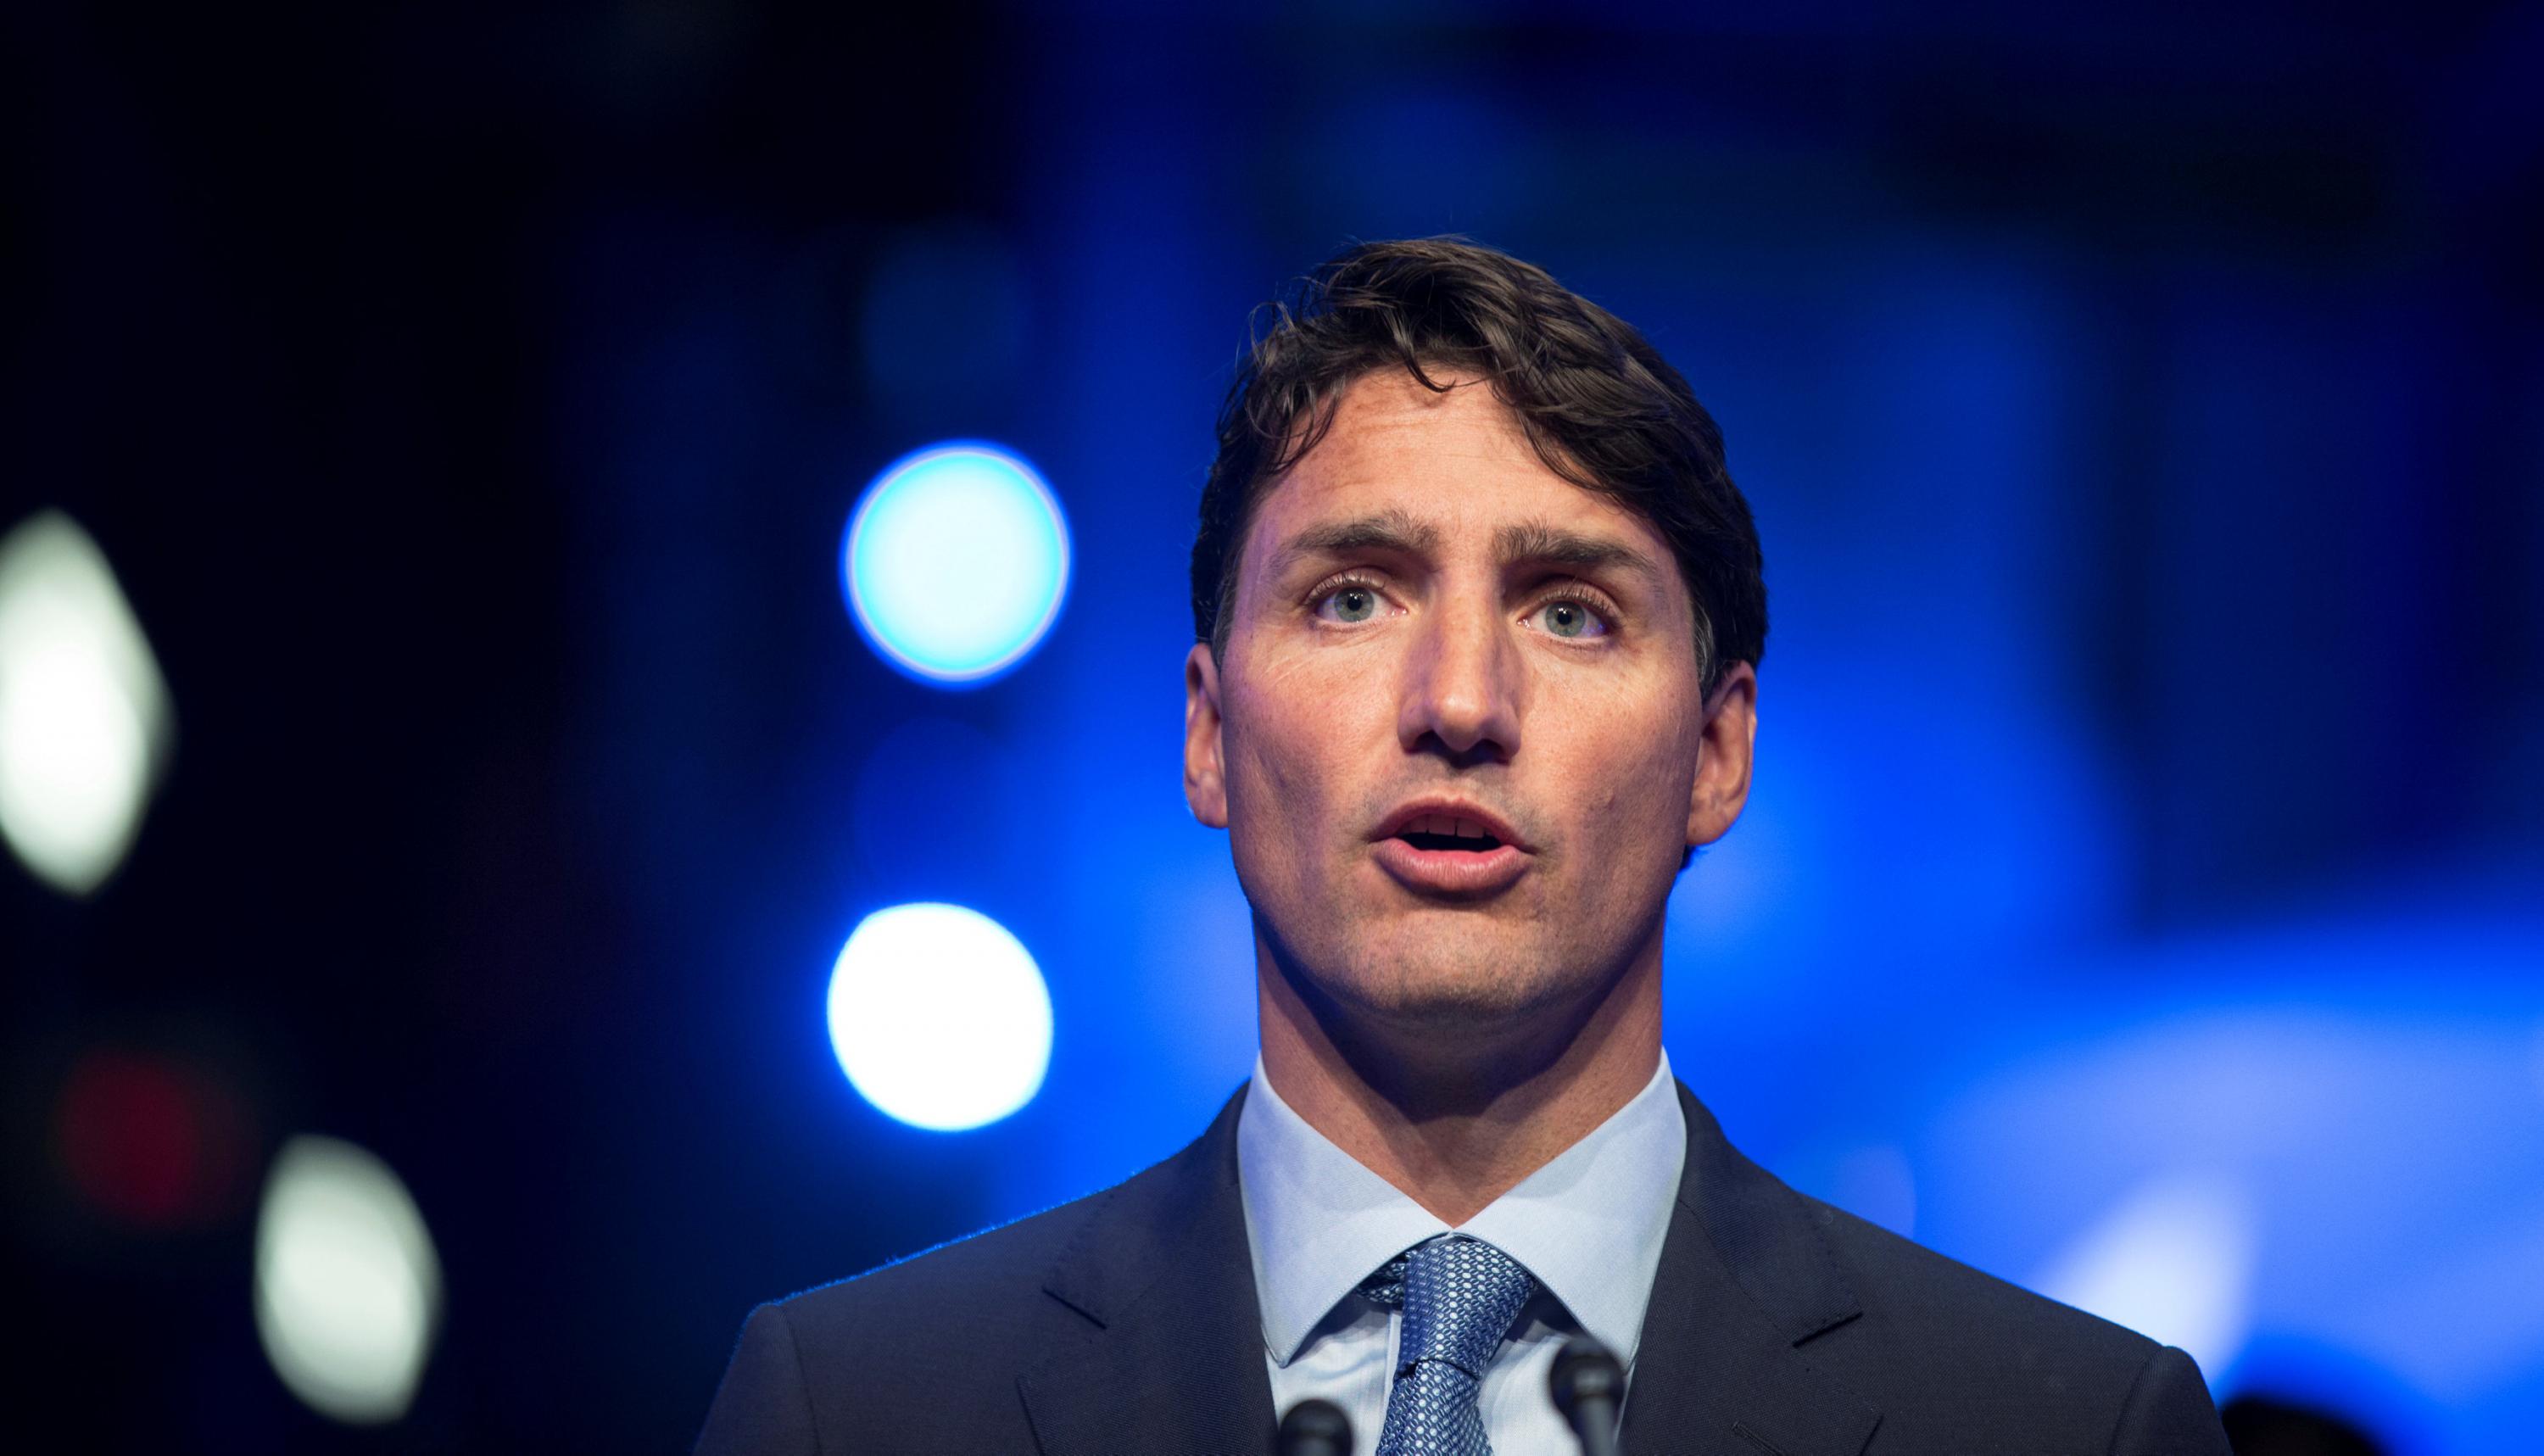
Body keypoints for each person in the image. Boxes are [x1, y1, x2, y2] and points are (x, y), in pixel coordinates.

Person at [693, 238, 2233, 1455]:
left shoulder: (2067, 1427)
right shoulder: (854, 1411)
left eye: (1570, 611)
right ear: (1210, 734)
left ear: (1716, 751)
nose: (1459, 704)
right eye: (1354, 595)